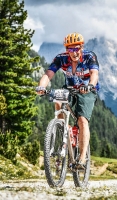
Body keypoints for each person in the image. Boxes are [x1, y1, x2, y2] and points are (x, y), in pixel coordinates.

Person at [36, 32, 99, 169]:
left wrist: (90, 85)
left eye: (76, 48)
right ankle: (63, 129)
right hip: (69, 88)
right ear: (66, 50)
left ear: (81, 47)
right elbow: (48, 73)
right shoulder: (61, 58)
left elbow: (94, 74)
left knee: (82, 120)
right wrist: (41, 86)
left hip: (87, 90)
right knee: (58, 102)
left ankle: (82, 159)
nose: (74, 52)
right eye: (70, 49)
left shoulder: (89, 56)